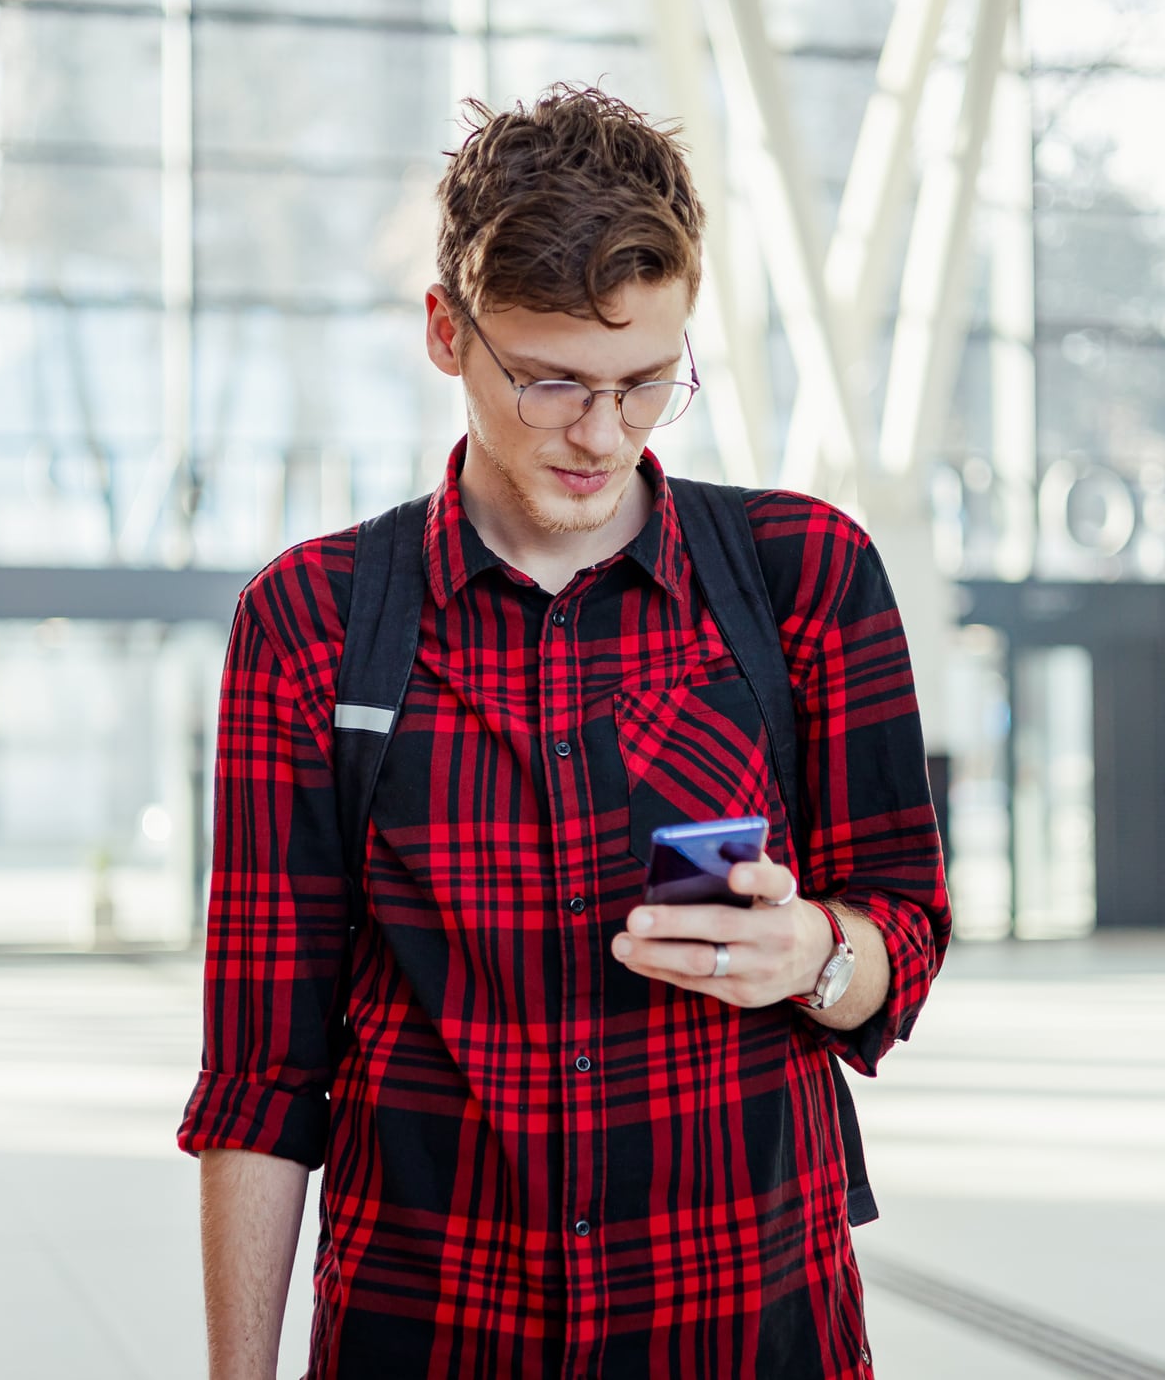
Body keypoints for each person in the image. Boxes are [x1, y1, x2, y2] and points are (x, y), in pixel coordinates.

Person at [180, 83, 950, 1380]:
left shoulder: (803, 577)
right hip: (428, 1333)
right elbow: (261, 1076)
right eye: (548, 383)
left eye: (646, 382)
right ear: (445, 330)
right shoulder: (310, 625)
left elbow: (902, 938)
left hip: (749, 1324)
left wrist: (810, 950)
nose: (601, 435)